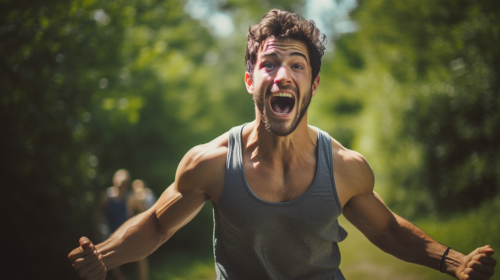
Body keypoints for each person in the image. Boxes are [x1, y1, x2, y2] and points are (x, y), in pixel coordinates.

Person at [68, 9, 496, 280]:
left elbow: (386, 230)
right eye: (269, 63)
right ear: (251, 80)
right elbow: (159, 225)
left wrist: (453, 261)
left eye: (297, 64)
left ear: (313, 83)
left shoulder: (345, 167)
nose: (282, 75)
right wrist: (103, 256)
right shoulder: (212, 163)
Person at [92, 169, 149, 280]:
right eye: (121, 182)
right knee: (108, 254)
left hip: (126, 233)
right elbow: (96, 215)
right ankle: (120, 278)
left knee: (142, 252)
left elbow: (146, 211)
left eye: (125, 183)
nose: (122, 185)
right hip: (110, 234)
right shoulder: (106, 197)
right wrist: (96, 232)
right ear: (115, 181)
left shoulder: (130, 198)